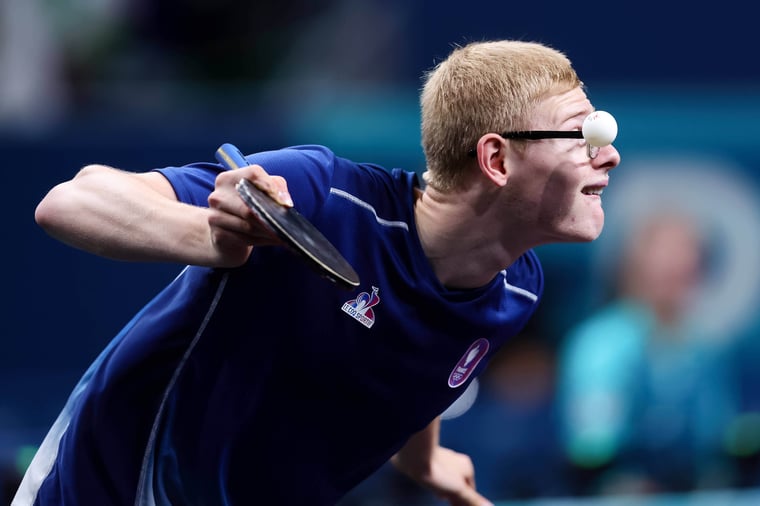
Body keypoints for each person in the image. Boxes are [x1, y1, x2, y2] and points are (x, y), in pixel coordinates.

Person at [15, 39, 620, 505]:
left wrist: (423, 459)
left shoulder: (516, 288)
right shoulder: (323, 195)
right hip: (109, 488)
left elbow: (418, 357)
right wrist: (207, 236)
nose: (608, 153)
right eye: (581, 135)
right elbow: (69, 202)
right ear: (496, 159)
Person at [557, 212, 738, 495]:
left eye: (685, 266)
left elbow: (716, 439)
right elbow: (592, 447)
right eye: (666, 265)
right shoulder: (600, 345)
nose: (678, 269)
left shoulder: (704, 347)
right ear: (635, 270)